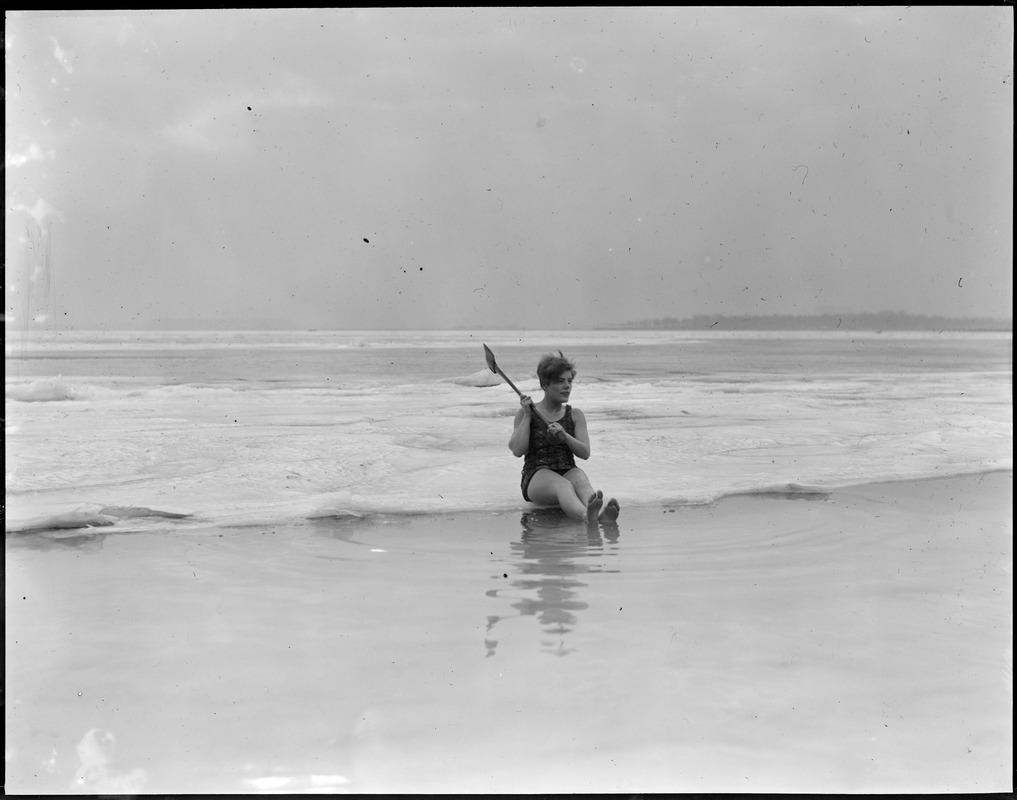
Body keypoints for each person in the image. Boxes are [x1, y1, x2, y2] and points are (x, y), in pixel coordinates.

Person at [509, 351, 620, 525]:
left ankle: (597, 516)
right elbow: (517, 450)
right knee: (563, 486)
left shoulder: (575, 415)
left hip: (568, 469)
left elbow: (585, 453)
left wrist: (565, 436)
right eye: (560, 381)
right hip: (537, 475)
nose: (567, 386)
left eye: (569, 381)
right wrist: (528, 416)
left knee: (581, 481)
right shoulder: (526, 413)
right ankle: (586, 516)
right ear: (545, 385)